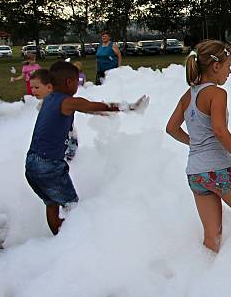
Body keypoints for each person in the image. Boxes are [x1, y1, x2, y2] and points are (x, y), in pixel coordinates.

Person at [165, 40, 231, 253]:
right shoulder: (217, 94)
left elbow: (171, 128)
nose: (230, 71)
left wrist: (195, 143)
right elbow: (220, 130)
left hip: (195, 174)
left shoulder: (188, 95)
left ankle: (205, 276)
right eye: (229, 66)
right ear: (216, 66)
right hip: (219, 169)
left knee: (212, 238)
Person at [25, 61, 147, 235]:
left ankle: (58, 238)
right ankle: (72, 240)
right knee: (71, 205)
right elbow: (92, 107)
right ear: (69, 82)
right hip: (48, 165)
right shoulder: (66, 101)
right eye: (76, 82)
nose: (77, 85)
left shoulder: (49, 99)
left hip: (32, 164)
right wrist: (127, 107)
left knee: (51, 203)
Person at [29, 69, 80, 162]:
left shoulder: (61, 100)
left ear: (49, 87)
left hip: (67, 137)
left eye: (36, 88)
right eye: (31, 88)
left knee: (67, 161)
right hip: (55, 141)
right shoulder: (43, 104)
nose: (33, 91)